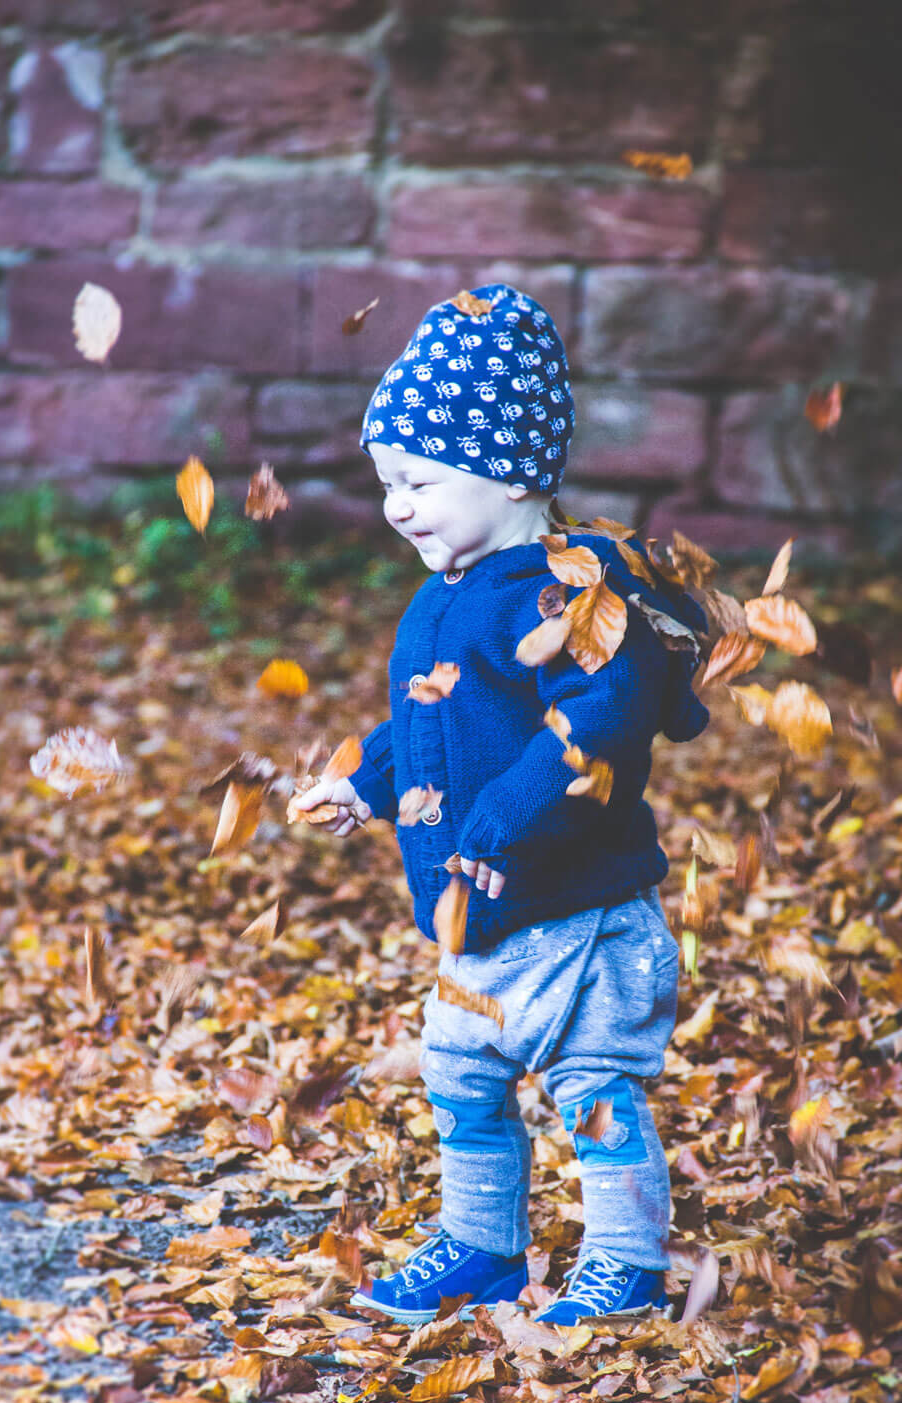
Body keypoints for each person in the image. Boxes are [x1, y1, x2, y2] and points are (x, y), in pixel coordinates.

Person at [290, 283, 709, 1328]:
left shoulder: (573, 595)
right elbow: (438, 723)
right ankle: (481, 1245)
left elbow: (594, 728)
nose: (397, 506)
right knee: (462, 1083)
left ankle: (626, 1263)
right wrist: (364, 781)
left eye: (419, 480)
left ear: (512, 472)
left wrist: (496, 823)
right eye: (388, 481)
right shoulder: (447, 596)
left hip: (579, 915)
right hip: (477, 920)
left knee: (594, 1095)